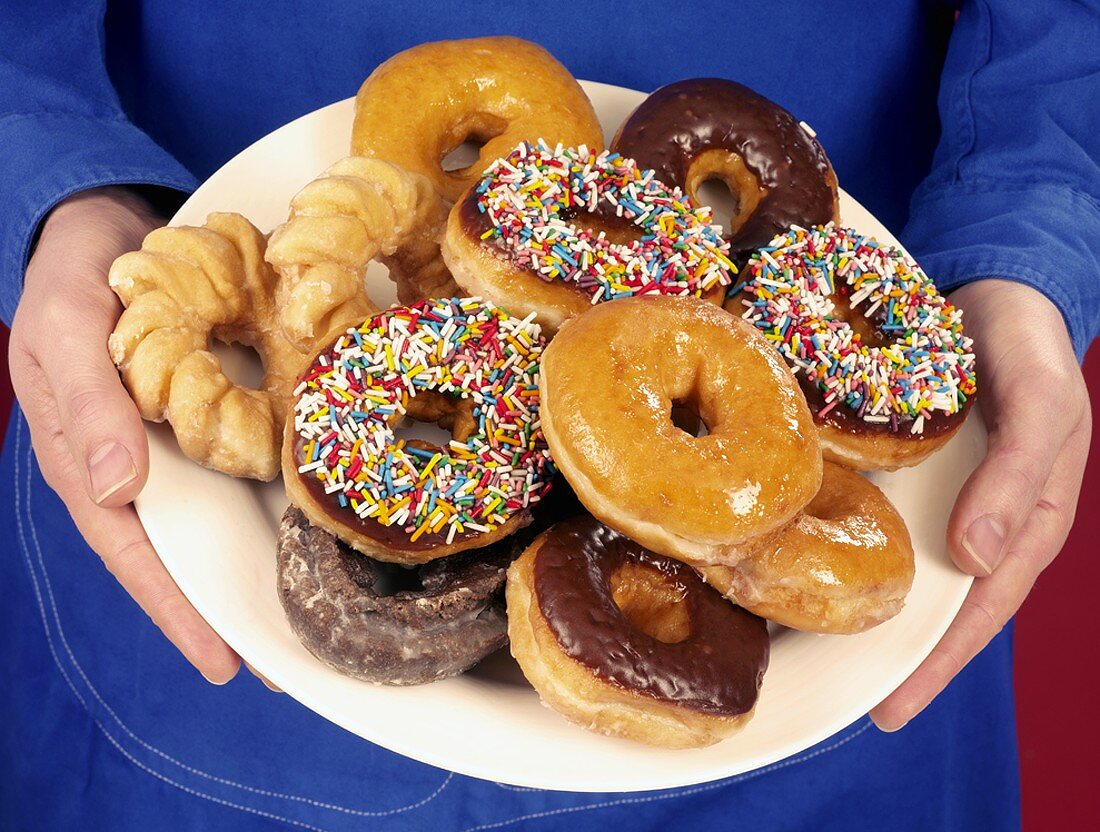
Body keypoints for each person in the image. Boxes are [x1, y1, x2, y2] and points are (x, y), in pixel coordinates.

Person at [1, 1, 1096, 829]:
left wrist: (1025, 237)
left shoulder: (695, 295)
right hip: (207, 610)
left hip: (830, 667)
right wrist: (56, 172)